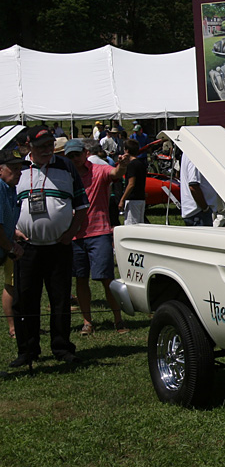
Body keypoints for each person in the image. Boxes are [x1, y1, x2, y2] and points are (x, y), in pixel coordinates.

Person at [10, 126, 88, 368]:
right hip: (26, 247)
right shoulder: (18, 169)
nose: (47, 150)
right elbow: (5, 205)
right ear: (28, 147)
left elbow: (82, 206)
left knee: (60, 299)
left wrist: (71, 233)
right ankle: (28, 351)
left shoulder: (66, 167)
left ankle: (62, 348)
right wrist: (13, 231)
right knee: (25, 301)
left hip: (59, 247)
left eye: (50, 144)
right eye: (41, 145)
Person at [66, 138, 129, 335]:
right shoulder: (67, 176)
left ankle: (118, 320)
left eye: (77, 154)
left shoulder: (98, 170)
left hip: (99, 232)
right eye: (70, 156)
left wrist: (123, 165)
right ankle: (87, 322)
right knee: (81, 279)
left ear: (85, 153)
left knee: (106, 279)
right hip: (75, 235)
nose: (74, 159)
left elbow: (115, 173)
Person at [0, 145, 29, 339]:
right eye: (13, 168)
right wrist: (11, 246)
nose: (19, 172)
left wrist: (14, 233)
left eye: (20, 168)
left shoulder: (11, 189)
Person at [179, 151, 217, 227]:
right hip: (198, 212)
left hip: (197, 211)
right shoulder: (194, 154)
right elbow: (193, 186)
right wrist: (205, 208)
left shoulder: (188, 152)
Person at [119, 139, 148, 224]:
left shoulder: (132, 165)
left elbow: (131, 184)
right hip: (141, 198)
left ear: (127, 150)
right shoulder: (141, 164)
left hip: (133, 200)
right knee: (140, 223)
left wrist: (122, 199)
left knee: (131, 225)